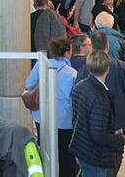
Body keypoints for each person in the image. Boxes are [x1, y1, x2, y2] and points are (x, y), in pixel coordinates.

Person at [76, 32, 125, 174]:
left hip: (92, 124)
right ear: (107, 47)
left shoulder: (85, 68)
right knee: (115, 155)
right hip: (117, 121)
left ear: (92, 47)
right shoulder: (120, 67)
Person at [24, 38, 78, 176]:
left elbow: (29, 83)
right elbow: (74, 98)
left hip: (41, 116)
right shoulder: (72, 73)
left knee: (45, 148)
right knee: (64, 154)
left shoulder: (40, 65)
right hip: (63, 120)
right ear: (67, 52)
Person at [70, 51, 125, 176]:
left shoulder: (80, 86)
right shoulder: (100, 98)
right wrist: (120, 139)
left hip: (80, 147)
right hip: (94, 155)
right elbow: (98, 136)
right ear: (108, 68)